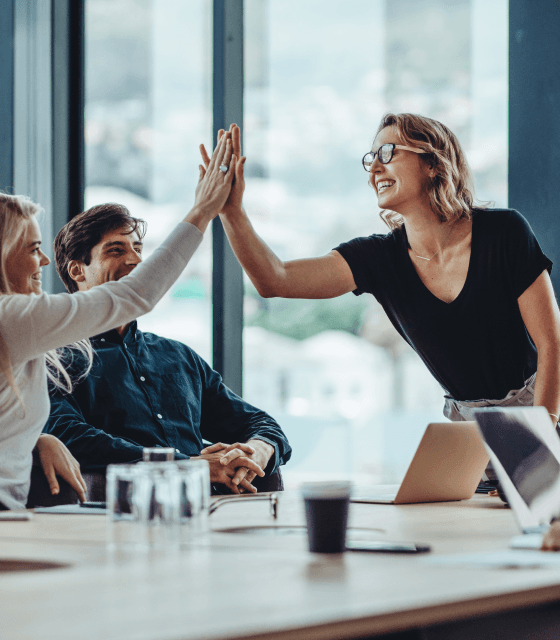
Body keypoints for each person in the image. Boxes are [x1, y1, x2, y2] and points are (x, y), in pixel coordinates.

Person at [199, 116, 560, 436]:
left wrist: (538, 440)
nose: (374, 169)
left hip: (544, 415)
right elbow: (273, 279)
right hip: (471, 436)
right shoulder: (378, 258)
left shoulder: (504, 232)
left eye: (388, 153)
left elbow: (552, 344)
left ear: (433, 163)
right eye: (371, 159)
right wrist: (231, 211)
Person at [0, 132, 236, 510]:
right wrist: (202, 211)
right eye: (32, 249)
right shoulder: (12, 318)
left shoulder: (20, 329)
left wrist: (36, 440)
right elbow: (135, 295)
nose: (43, 262)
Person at [44, 203, 291, 495]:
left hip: (212, 511)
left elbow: (258, 422)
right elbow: (67, 435)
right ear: (77, 270)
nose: (136, 260)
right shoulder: (55, 359)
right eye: (116, 250)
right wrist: (186, 465)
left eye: (137, 248)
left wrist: (258, 450)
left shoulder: (178, 356)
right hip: (124, 514)